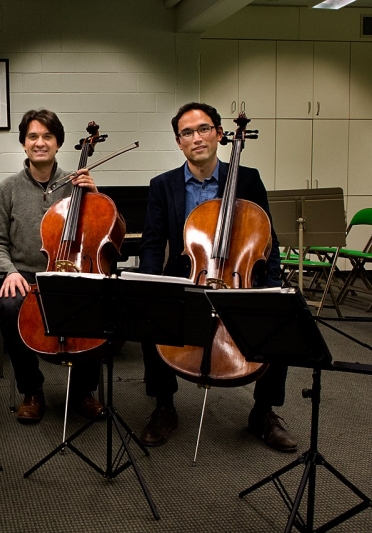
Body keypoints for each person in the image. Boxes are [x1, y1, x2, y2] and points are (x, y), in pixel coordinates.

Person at [137, 101, 297, 452]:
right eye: (187, 132)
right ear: (179, 142)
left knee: (279, 322)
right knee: (150, 316)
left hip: (239, 282)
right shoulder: (162, 186)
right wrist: (150, 285)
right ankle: (164, 406)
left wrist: (270, 289)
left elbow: (267, 240)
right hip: (187, 280)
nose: (197, 137)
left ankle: (264, 412)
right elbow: (152, 244)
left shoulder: (247, 178)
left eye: (204, 128)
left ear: (220, 134)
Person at [0, 109, 105, 424]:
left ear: (58, 143)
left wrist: (94, 196)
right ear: (24, 144)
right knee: (9, 306)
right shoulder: (6, 189)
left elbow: (99, 233)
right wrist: (9, 271)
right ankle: (31, 391)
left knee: (99, 304)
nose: (40, 142)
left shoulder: (77, 184)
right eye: (33, 136)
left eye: (47, 136)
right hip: (25, 274)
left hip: (70, 272)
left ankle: (83, 390)